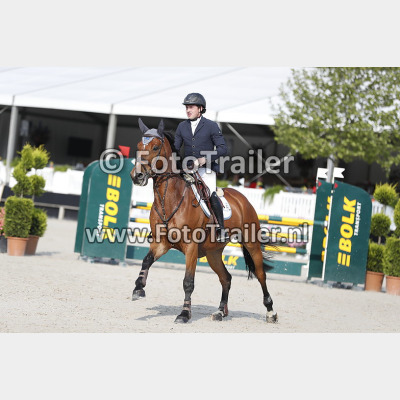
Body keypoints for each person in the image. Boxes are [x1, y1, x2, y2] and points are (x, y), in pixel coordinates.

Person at [174, 93, 229, 242]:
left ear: (200, 108)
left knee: (210, 193)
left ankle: (221, 228)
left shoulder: (211, 126)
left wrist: (204, 159)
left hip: (206, 169)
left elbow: (222, 149)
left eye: (191, 107)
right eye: (186, 107)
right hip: (187, 170)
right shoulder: (182, 126)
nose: (188, 110)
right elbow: (175, 148)